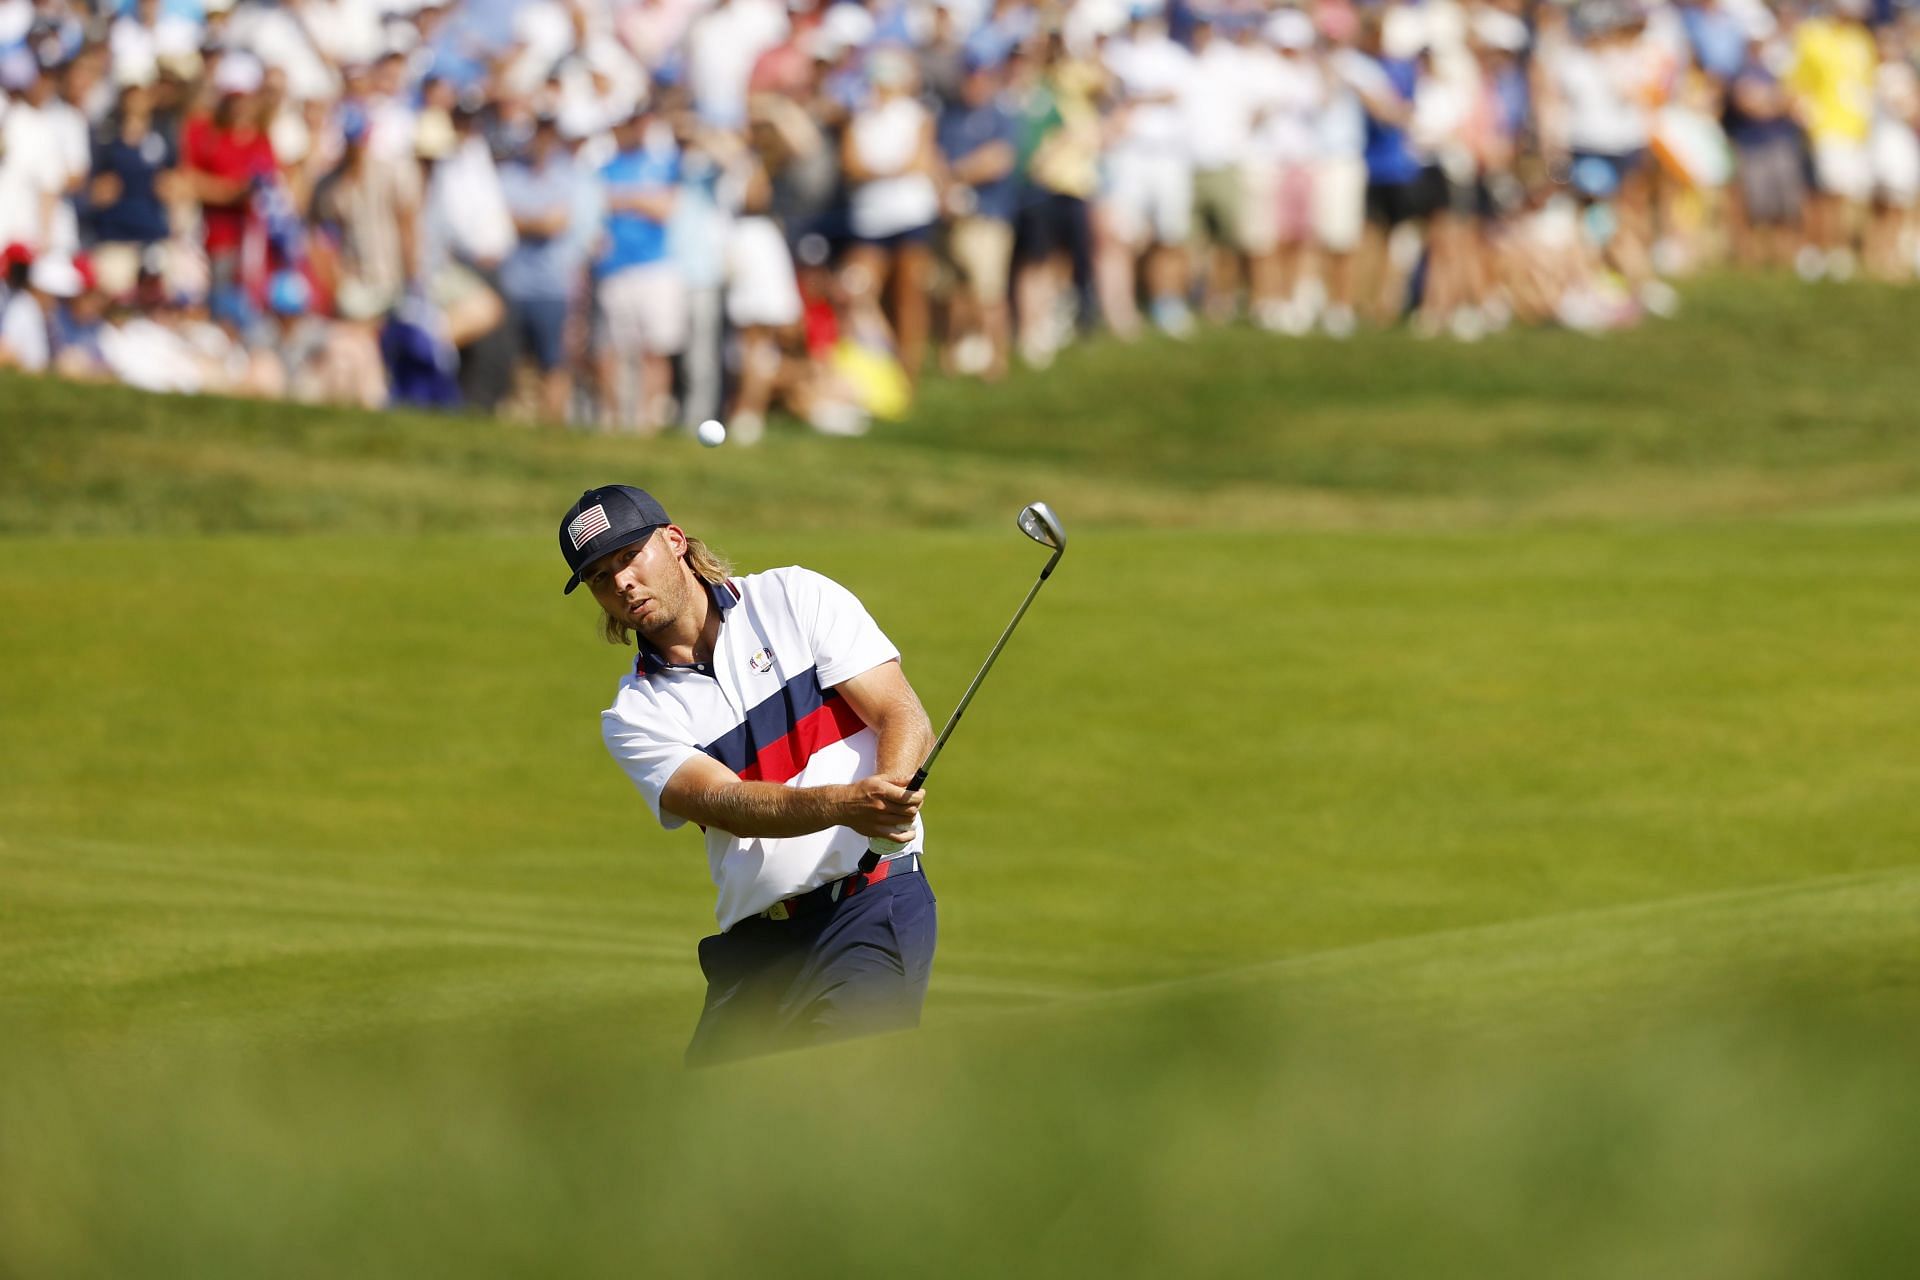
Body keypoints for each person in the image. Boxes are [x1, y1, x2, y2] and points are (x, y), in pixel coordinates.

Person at [559, 483, 937, 1067]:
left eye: (629, 557)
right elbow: (727, 803)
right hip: (758, 945)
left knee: (840, 1090)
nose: (621, 583)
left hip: (870, 903)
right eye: (599, 577)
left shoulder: (794, 597)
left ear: (674, 541)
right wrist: (848, 803)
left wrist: (888, 795)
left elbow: (899, 713)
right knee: (710, 1131)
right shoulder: (635, 714)